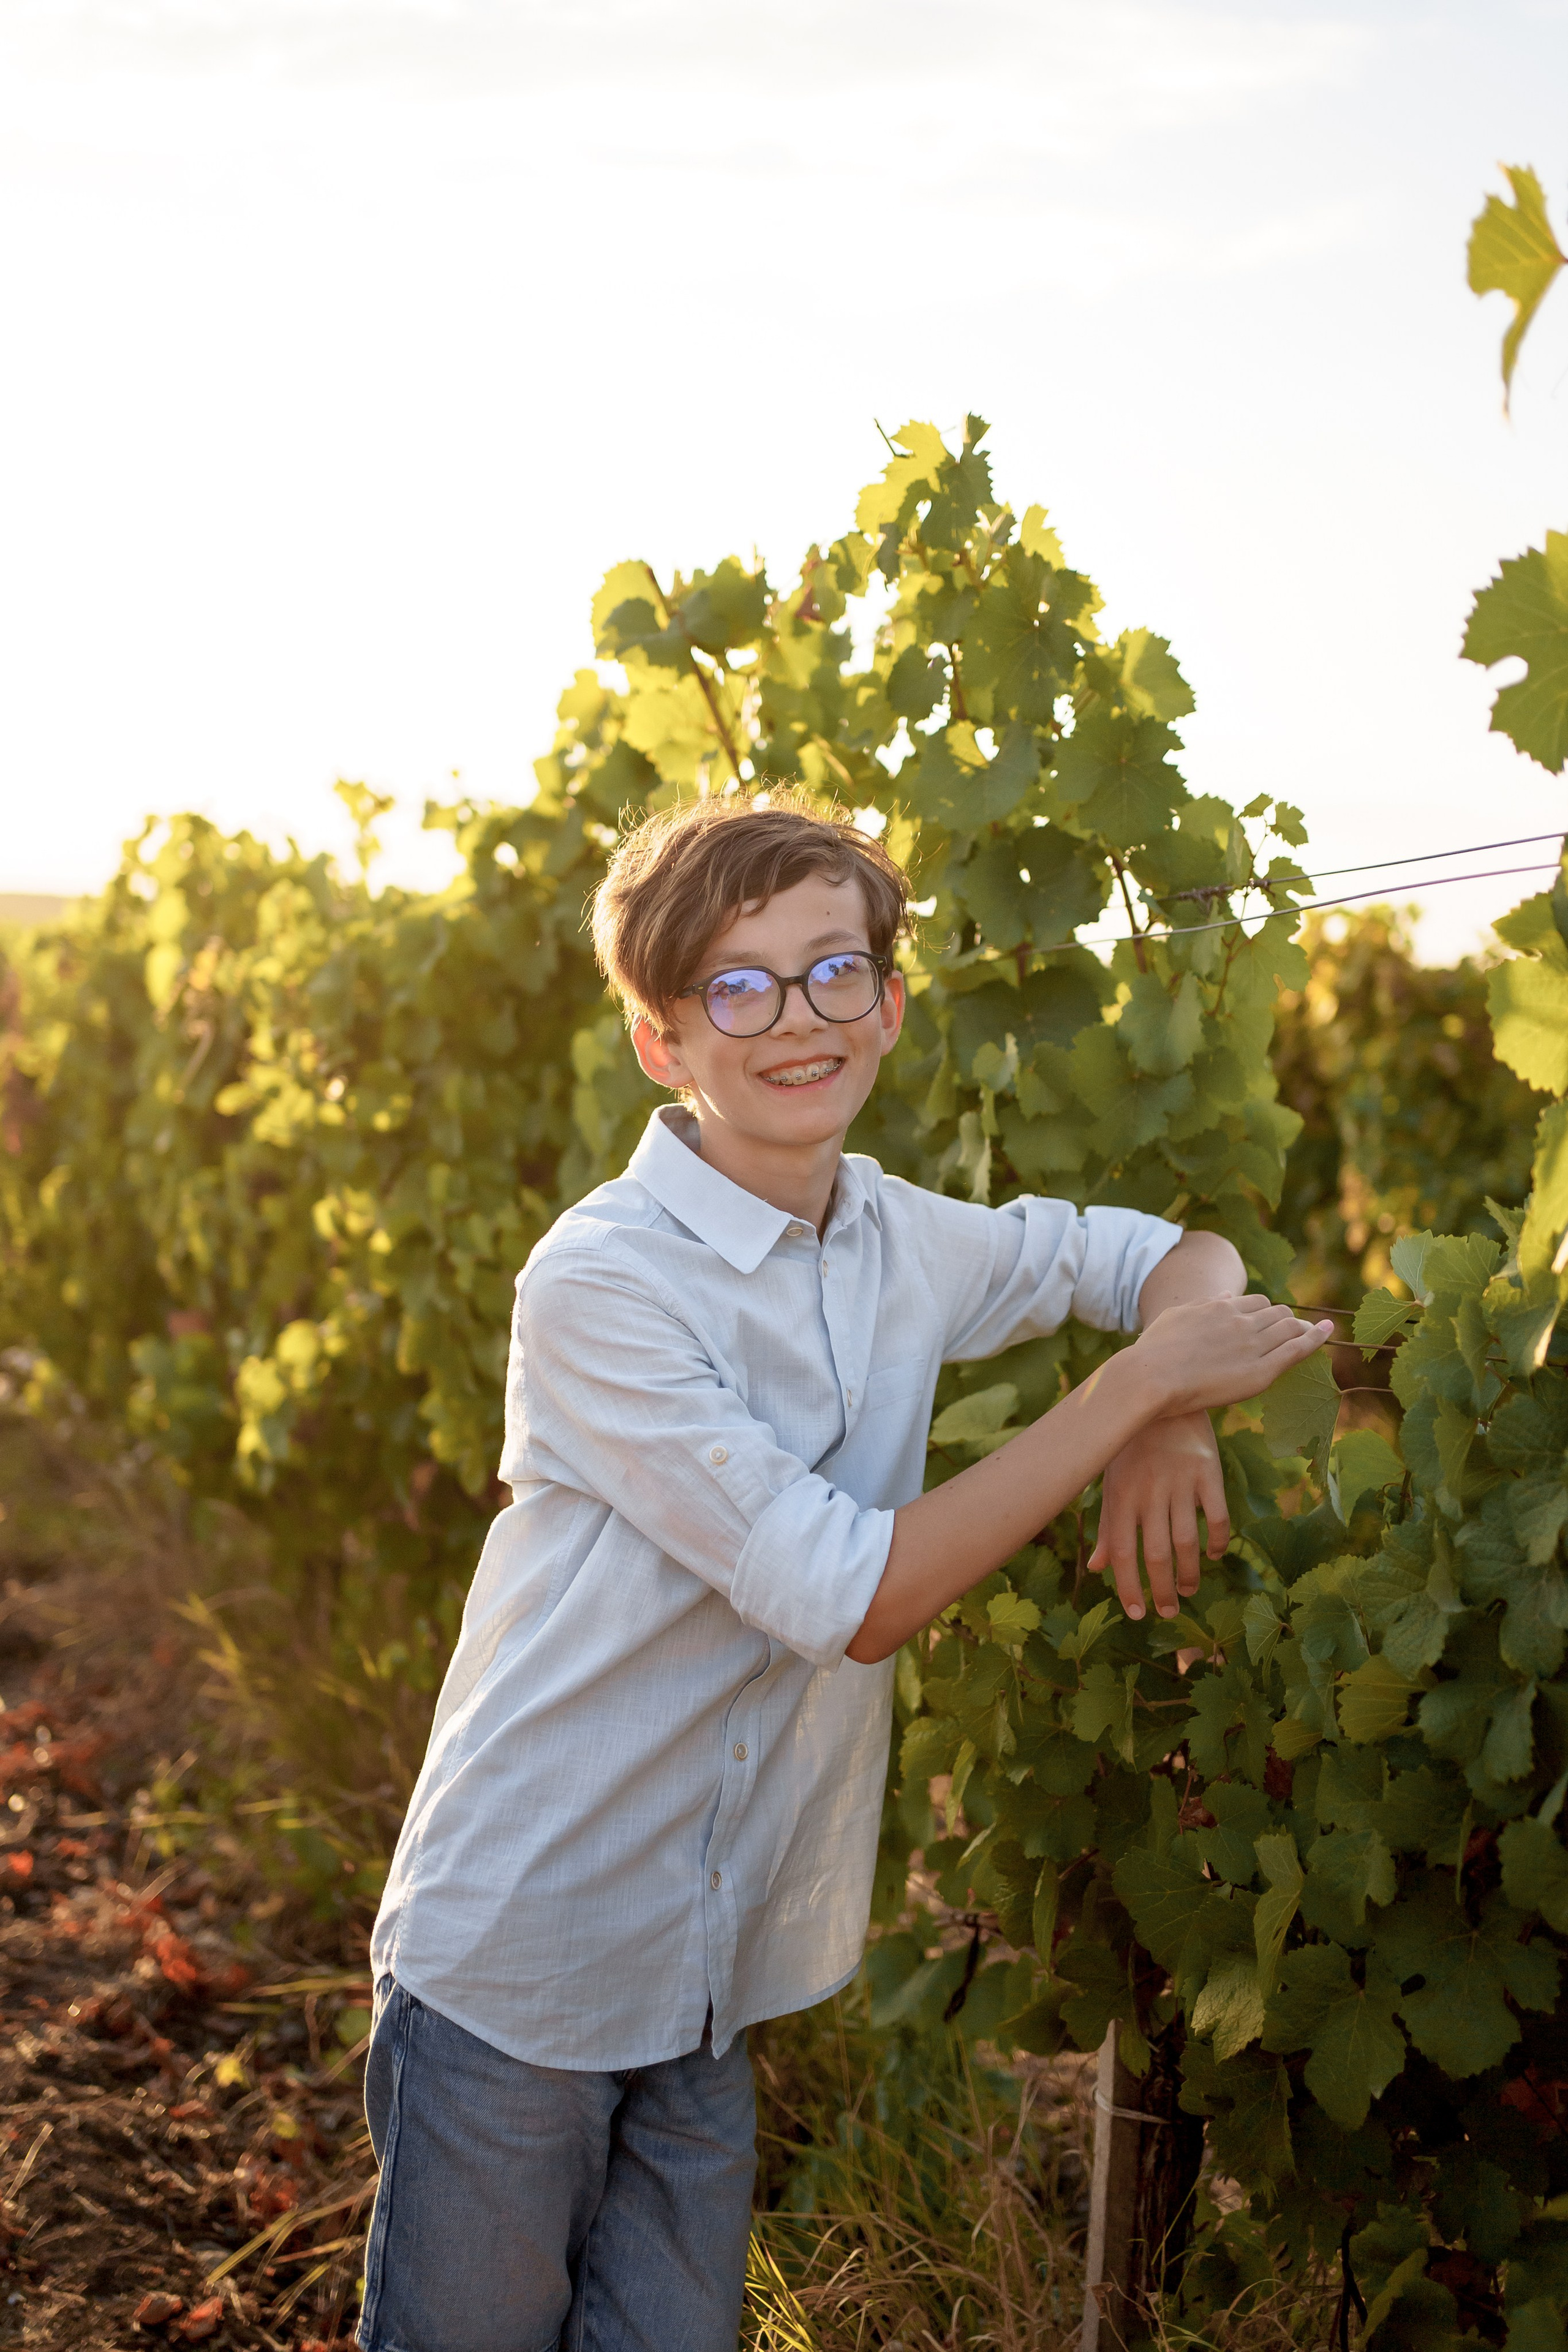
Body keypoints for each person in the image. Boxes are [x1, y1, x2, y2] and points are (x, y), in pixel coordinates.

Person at [358, 793, 1331, 2352]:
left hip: (708, 1973)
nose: (792, 1017)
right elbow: (851, 1594)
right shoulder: (600, 1279)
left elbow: (1158, 1256)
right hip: (522, 1960)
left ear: (888, 1001)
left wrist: (1185, 1406)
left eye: (829, 971)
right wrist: (1125, 1401)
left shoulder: (893, 1236)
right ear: (662, 1040)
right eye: (733, 987)